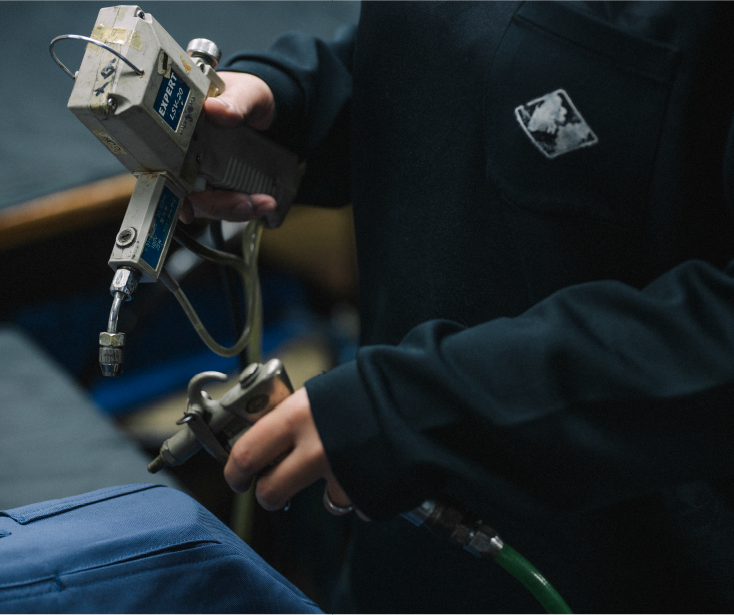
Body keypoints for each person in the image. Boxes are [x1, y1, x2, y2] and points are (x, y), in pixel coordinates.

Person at [182, 1, 734, 613]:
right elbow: (472, 57)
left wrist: (421, 408)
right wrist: (292, 103)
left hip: (621, 565)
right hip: (404, 531)